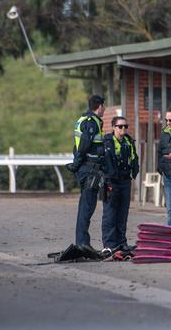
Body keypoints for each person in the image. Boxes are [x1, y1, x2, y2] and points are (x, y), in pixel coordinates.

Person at [68, 95, 106, 251]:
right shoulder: (91, 123)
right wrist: (77, 164)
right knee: (87, 207)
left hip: (86, 168)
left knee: (85, 205)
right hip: (89, 169)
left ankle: (82, 241)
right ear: (100, 106)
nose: (104, 109)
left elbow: (77, 147)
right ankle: (82, 243)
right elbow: (84, 145)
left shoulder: (83, 119)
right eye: (104, 106)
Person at [102, 116, 139, 251]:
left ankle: (121, 243)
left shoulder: (128, 141)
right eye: (120, 126)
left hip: (125, 181)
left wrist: (135, 171)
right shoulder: (106, 141)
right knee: (110, 214)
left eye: (125, 126)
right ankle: (109, 245)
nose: (123, 129)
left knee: (123, 214)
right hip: (111, 181)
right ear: (113, 127)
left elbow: (134, 157)